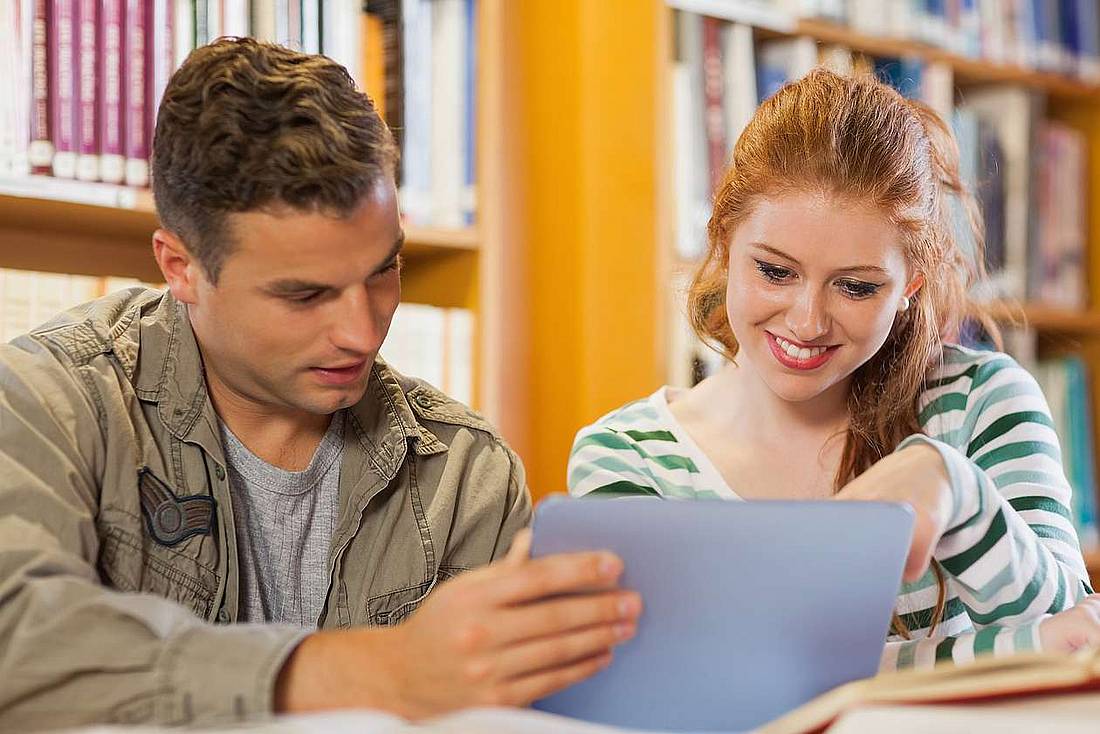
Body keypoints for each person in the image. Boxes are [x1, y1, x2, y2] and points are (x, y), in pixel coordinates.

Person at [0, 38, 641, 731]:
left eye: (383, 271)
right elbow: (16, 644)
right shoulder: (45, 402)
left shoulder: (467, 473)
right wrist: (376, 673)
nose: (362, 333)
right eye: (306, 295)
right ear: (180, 266)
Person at [567, 68, 1100, 669]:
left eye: (855, 286)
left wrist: (956, 487)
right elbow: (696, 679)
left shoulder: (982, 402)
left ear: (910, 285)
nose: (807, 321)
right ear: (722, 242)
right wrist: (992, 653)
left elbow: (1074, 640)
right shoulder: (627, 456)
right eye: (775, 271)